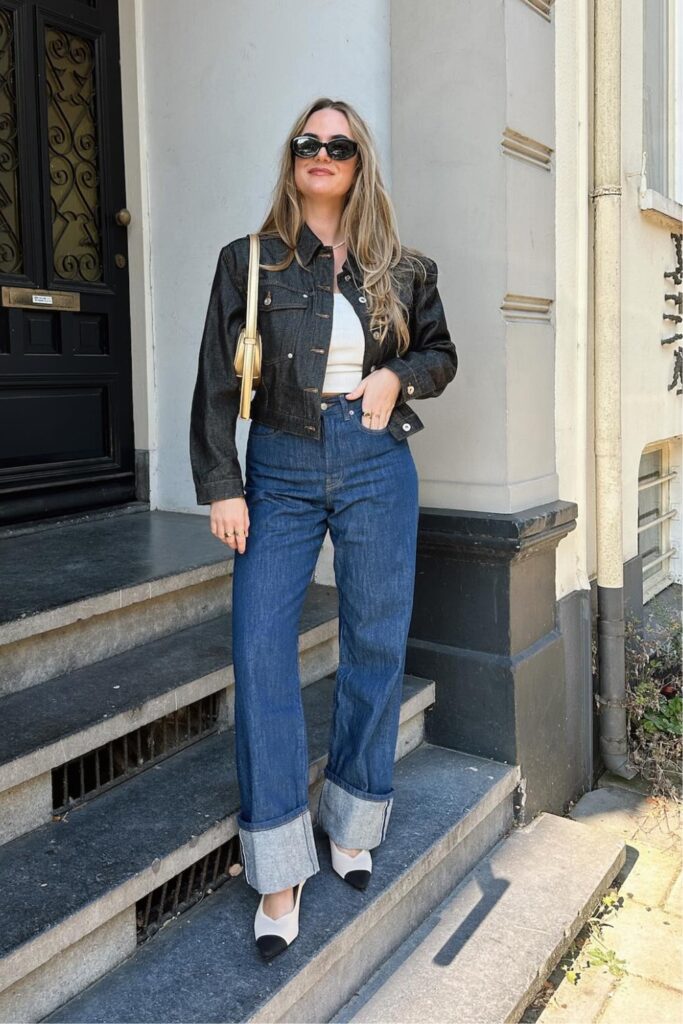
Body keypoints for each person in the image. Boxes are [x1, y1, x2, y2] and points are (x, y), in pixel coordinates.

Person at [189, 97, 457, 960]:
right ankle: (277, 862)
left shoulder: (401, 268)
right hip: (280, 465)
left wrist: (395, 382)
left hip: (377, 458)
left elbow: (440, 354)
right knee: (262, 644)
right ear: (293, 157)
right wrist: (221, 486)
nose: (322, 153)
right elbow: (215, 385)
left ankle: (351, 819)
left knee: (374, 640)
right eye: (309, 141)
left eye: (338, 144)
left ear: (358, 162)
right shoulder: (252, 260)